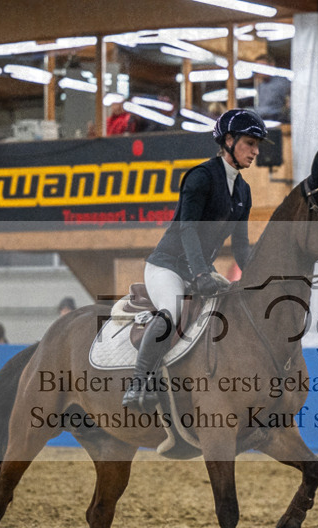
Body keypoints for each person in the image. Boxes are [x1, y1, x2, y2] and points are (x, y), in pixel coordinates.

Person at [121, 108, 266, 413]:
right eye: (250, 143)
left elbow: (241, 244)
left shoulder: (243, 190)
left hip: (201, 269)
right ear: (228, 140)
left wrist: (257, 279)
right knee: (172, 312)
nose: (256, 151)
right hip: (168, 265)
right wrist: (201, 273)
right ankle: (138, 382)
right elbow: (187, 228)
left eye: (257, 145)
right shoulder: (200, 177)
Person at [253, 53, 290, 123]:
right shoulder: (261, 85)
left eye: (262, 67)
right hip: (263, 120)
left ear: (271, 65)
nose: (260, 70)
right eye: (257, 68)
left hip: (277, 120)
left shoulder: (282, 82)